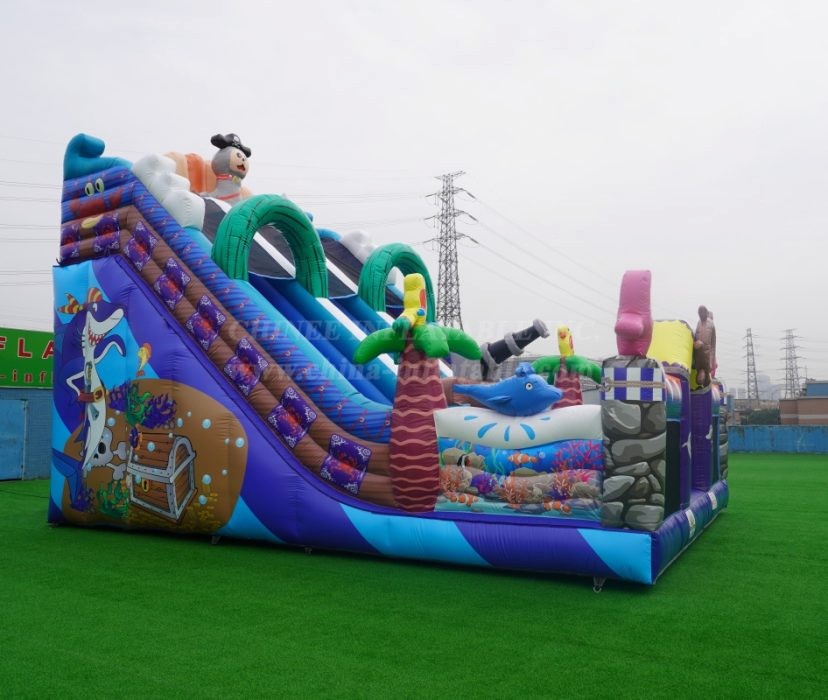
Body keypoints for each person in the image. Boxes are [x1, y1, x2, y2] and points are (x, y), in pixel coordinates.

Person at [693, 305, 716, 386]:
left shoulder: (696, 366)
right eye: (701, 379)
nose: (700, 377)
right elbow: (713, 346)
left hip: (700, 345)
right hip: (706, 348)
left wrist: (696, 344)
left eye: (699, 378)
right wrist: (712, 361)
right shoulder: (708, 367)